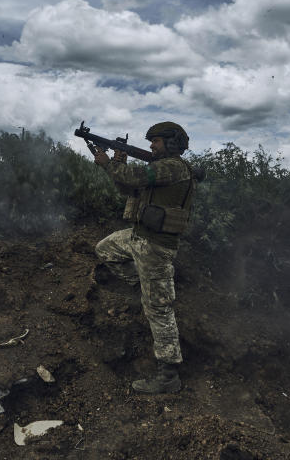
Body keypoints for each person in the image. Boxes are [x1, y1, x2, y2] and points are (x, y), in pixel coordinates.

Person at [92, 121, 196, 394]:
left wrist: (108, 163)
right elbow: (128, 188)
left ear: (171, 144)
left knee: (159, 311)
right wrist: (116, 164)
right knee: (105, 250)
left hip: (155, 246)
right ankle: (143, 286)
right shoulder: (159, 170)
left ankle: (168, 375)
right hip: (138, 237)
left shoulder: (172, 167)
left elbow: (135, 177)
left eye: (157, 141)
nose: (151, 146)